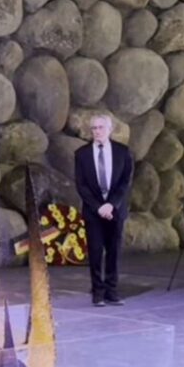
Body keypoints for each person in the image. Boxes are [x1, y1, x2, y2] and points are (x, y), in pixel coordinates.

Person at [74, 115, 134, 307]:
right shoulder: (82, 154)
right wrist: (98, 207)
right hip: (94, 211)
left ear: (109, 129)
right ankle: (97, 292)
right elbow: (81, 185)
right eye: (94, 128)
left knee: (114, 251)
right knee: (95, 251)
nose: (97, 131)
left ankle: (112, 291)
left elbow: (126, 181)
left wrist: (111, 204)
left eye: (100, 127)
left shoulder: (122, 152)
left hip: (115, 209)